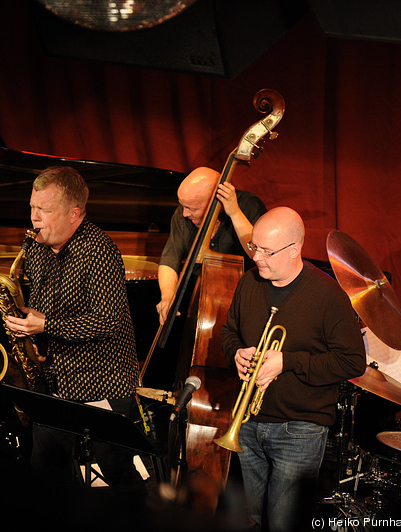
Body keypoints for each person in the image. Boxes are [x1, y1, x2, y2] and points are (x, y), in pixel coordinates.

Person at [4, 166, 146, 501]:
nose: (35, 219)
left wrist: (47, 326)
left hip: (104, 380)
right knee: (45, 468)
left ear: (74, 214)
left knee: (117, 471)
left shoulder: (99, 250)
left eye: (45, 211)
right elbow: (42, 304)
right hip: (57, 380)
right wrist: (33, 333)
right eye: (32, 208)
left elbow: (107, 321)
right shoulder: (36, 247)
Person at [221, 207, 366, 532]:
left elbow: (352, 361)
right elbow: (229, 332)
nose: (257, 257)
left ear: (295, 249)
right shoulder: (249, 282)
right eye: (254, 247)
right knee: (253, 521)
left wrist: (287, 361)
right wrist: (237, 353)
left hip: (299, 429)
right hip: (246, 423)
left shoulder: (327, 295)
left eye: (267, 251)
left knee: (285, 525)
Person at [157, 166, 266, 323]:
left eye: (191, 208)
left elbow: (257, 253)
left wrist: (235, 213)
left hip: (244, 306)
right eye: (183, 206)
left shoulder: (249, 206)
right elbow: (169, 260)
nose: (184, 214)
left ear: (216, 202)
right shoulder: (183, 216)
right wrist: (167, 297)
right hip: (197, 306)